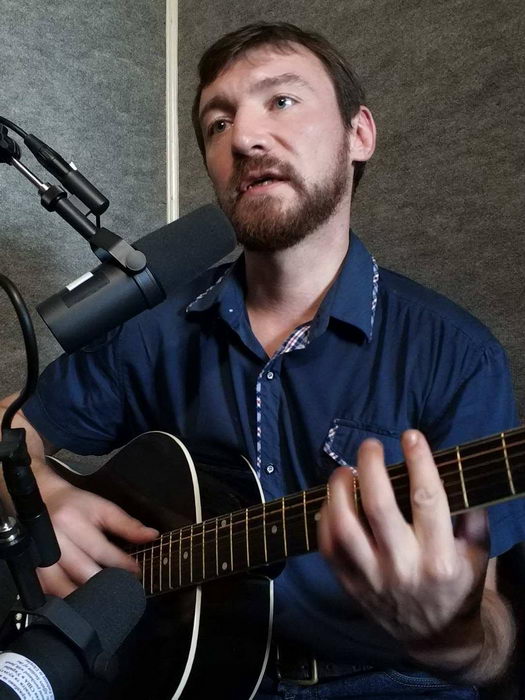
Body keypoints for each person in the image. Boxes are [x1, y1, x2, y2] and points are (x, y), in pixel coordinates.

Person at [1, 21, 524, 699]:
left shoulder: (456, 356)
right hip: (178, 675)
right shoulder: (152, 329)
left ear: (358, 134)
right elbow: (11, 430)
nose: (244, 138)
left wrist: (455, 639)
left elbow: (491, 634)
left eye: (281, 101)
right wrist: (43, 494)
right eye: (218, 123)